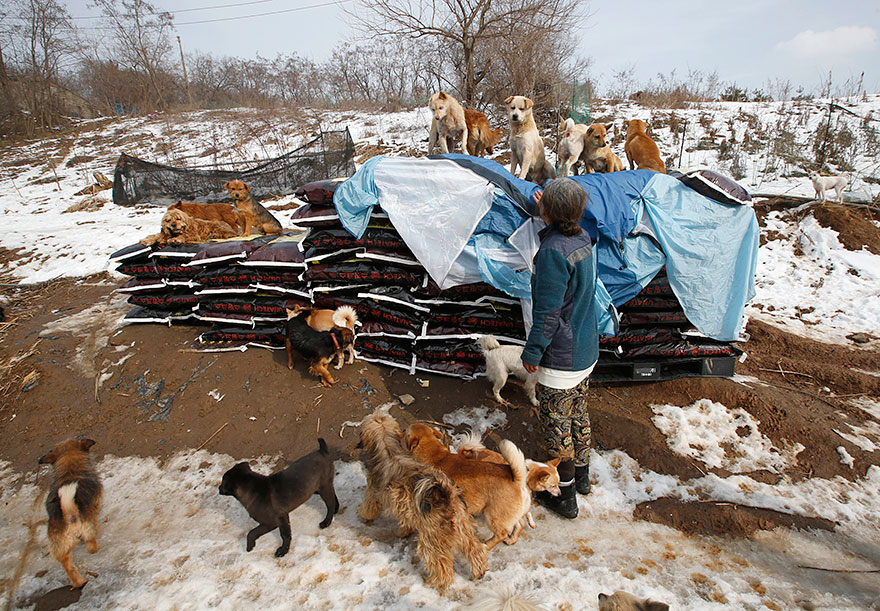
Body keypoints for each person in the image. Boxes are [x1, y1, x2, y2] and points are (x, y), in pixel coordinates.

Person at [521, 177, 598, 519]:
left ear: (549, 210)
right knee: (578, 413)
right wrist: (549, 211)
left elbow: (549, 312)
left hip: (561, 356)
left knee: (557, 426)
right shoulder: (581, 237)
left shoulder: (551, 252)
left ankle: (564, 497)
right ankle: (581, 478)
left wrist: (533, 351)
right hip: (584, 347)